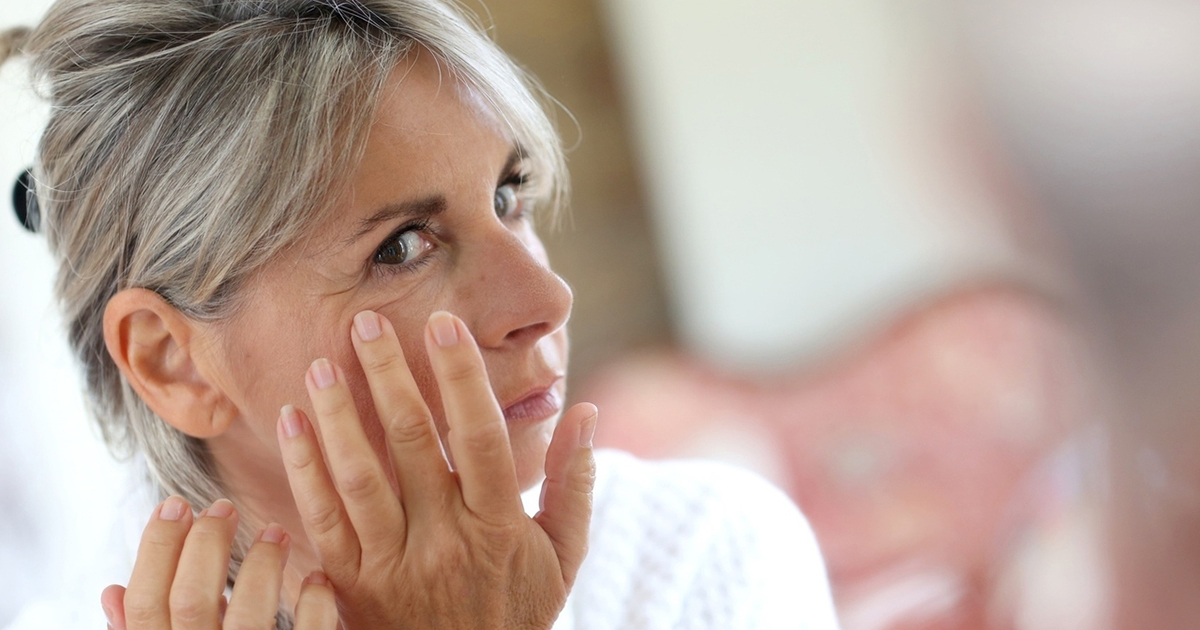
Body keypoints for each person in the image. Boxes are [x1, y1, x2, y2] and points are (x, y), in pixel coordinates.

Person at [0, 1, 839, 628]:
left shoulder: (703, 556)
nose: (546, 301)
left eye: (509, 196)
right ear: (174, 361)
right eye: (401, 247)